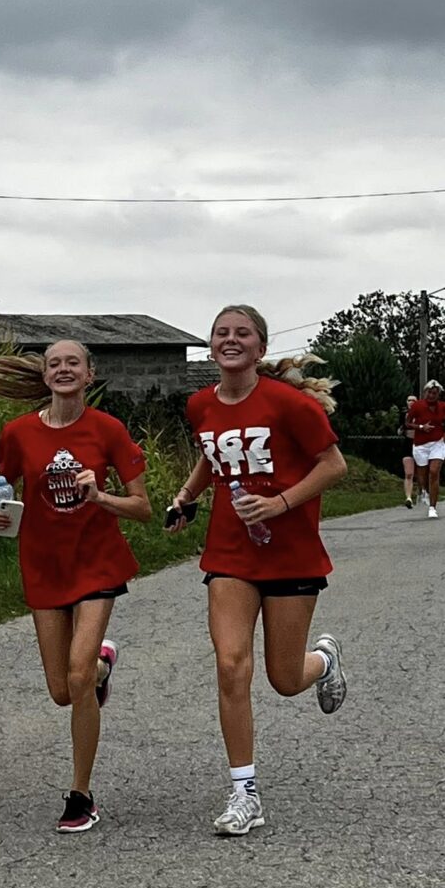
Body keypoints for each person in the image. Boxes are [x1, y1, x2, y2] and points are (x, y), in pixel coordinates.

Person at [167, 305, 348, 837]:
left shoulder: (290, 405)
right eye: (221, 333)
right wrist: (186, 497)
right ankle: (244, 792)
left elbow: (333, 464)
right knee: (231, 665)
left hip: (291, 553)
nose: (230, 339)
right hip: (230, 554)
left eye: (242, 333)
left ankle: (324, 660)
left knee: (284, 679)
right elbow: (212, 457)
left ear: (260, 348)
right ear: (211, 346)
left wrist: (280, 503)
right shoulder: (200, 404)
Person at [0, 340, 151, 833]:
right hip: (44, 566)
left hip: (96, 565)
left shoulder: (108, 429)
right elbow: (4, 490)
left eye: (73, 362)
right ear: (45, 375)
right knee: (61, 691)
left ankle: (81, 795)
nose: (64, 369)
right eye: (54, 363)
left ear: (89, 374)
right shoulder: (18, 433)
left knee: (77, 680)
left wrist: (100, 497)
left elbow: (142, 507)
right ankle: (102, 665)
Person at [406, 381, 445, 518]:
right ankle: (424, 490)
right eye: (429, 392)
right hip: (420, 445)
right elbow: (408, 422)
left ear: (438, 394)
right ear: (425, 393)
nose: (431, 395)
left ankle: (432, 507)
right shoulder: (417, 406)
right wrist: (421, 427)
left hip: (437, 443)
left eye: (434, 393)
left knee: (434, 472)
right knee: (422, 476)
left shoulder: (442, 406)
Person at [401, 394, 418, 508]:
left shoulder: (423, 414)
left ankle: (424, 493)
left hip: (421, 445)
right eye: (409, 400)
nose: (411, 402)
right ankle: (408, 498)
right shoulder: (403, 415)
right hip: (408, 445)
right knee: (408, 473)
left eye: (413, 400)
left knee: (423, 472)